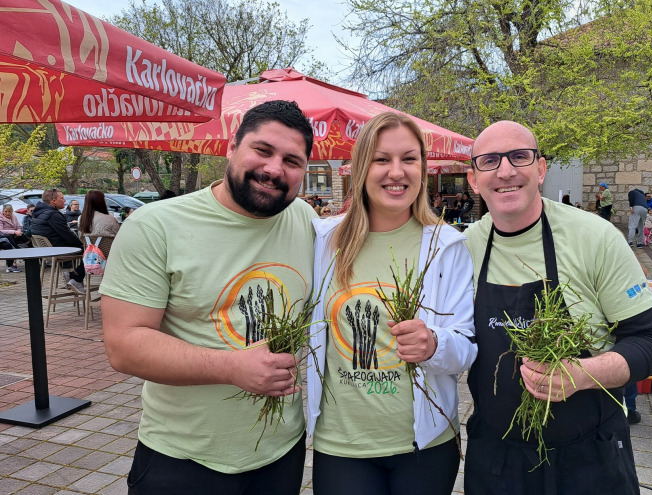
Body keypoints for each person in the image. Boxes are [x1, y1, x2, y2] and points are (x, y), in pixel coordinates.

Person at [99, 101, 317, 495]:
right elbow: (124, 346)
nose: (274, 169)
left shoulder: (307, 221)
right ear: (231, 147)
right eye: (262, 150)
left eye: (292, 160)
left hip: (282, 451)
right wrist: (231, 367)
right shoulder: (155, 226)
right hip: (182, 458)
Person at [463, 121, 652, 494]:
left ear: (540, 169)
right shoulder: (464, 248)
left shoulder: (595, 238)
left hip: (589, 461)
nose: (505, 171)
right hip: (495, 461)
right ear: (473, 180)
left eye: (519, 157)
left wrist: (581, 374)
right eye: (490, 160)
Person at [306, 112, 476, 495]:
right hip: (342, 446)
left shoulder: (446, 247)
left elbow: (465, 347)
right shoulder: (323, 241)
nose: (396, 172)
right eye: (381, 159)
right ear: (361, 168)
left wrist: (434, 344)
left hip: (425, 446)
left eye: (409, 159)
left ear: (422, 168)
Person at [31, 188, 86, 293]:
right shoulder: (53, 215)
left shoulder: (38, 213)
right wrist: (82, 243)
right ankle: (76, 278)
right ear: (54, 201)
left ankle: (72, 275)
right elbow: (67, 235)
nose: (65, 201)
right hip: (57, 250)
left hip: (46, 251)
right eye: (62, 198)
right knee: (91, 252)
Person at [0, 203, 28, 272]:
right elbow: (1, 230)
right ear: (3, 211)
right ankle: (11, 265)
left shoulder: (13, 217)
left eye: (9, 211)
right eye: (6, 211)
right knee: (8, 244)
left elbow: (18, 227)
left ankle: (30, 258)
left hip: (13, 235)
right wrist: (14, 232)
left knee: (24, 238)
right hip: (4, 237)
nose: (7, 213)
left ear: (12, 211)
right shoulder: (1, 218)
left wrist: (18, 232)